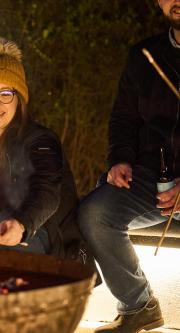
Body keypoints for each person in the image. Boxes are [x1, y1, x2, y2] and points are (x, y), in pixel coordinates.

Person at [77, 1, 180, 332]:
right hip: (152, 177)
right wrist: (119, 159)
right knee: (95, 214)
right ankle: (139, 307)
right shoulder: (145, 55)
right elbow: (124, 118)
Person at [0, 38, 88, 262]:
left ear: (19, 99)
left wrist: (22, 224)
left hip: (50, 245)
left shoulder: (40, 140)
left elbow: (47, 193)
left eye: (5, 94)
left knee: (7, 217)